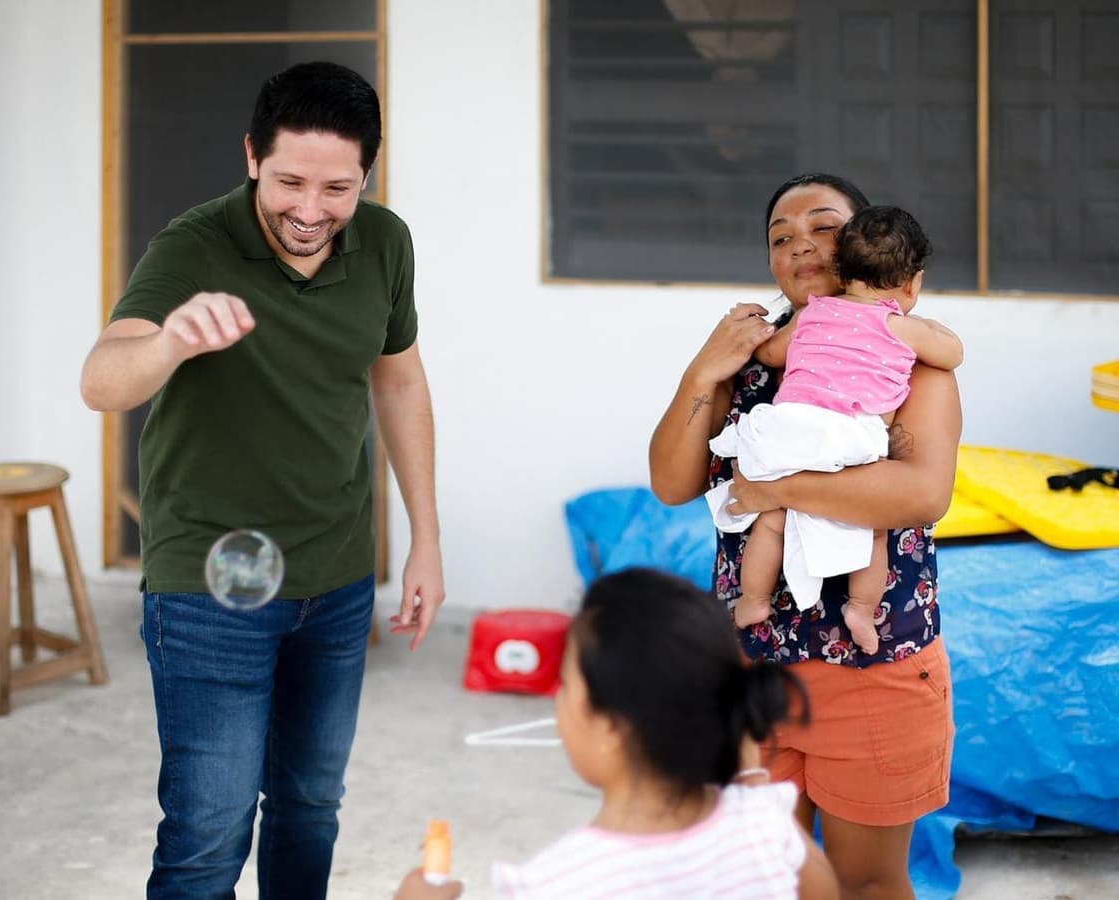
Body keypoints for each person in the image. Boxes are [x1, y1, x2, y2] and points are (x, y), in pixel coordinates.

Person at [80, 61, 445, 899]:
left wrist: (425, 537)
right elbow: (101, 382)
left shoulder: (385, 242)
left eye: (337, 189)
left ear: (365, 178)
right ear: (251, 156)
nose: (310, 211)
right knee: (208, 836)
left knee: (311, 806)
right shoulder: (193, 245)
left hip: (338, 575)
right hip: (208, 585)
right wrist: (169, 341)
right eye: (288, 182)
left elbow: (398, 381)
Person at [649, 173, 960, 900]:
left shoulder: (905, 354)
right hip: (749, 667)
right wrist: (706, 366)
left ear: (864, 240)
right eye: (780, 238)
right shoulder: (751, 358)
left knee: (866, 885)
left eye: (822, 226)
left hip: (873, 671)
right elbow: (670, 482)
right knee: (761, 881)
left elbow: (921, 494)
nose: (800, 245)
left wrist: (774, 491)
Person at [393, 568, 839, 900]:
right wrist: (753, 788)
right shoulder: (759, 823)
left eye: (566, 684)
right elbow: (823, 892)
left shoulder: (559, 883)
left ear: (610, 726)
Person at [707, 205, 963, 654]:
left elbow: (771, 356)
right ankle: (861, 610)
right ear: (912, 282)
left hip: (789, 429)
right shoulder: (901, 327)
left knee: (772, 521)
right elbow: (953, 354)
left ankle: (752, 600)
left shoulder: (813, 315)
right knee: (873, 528)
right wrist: (929, 327)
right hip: (847, 437)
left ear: (840, 270)